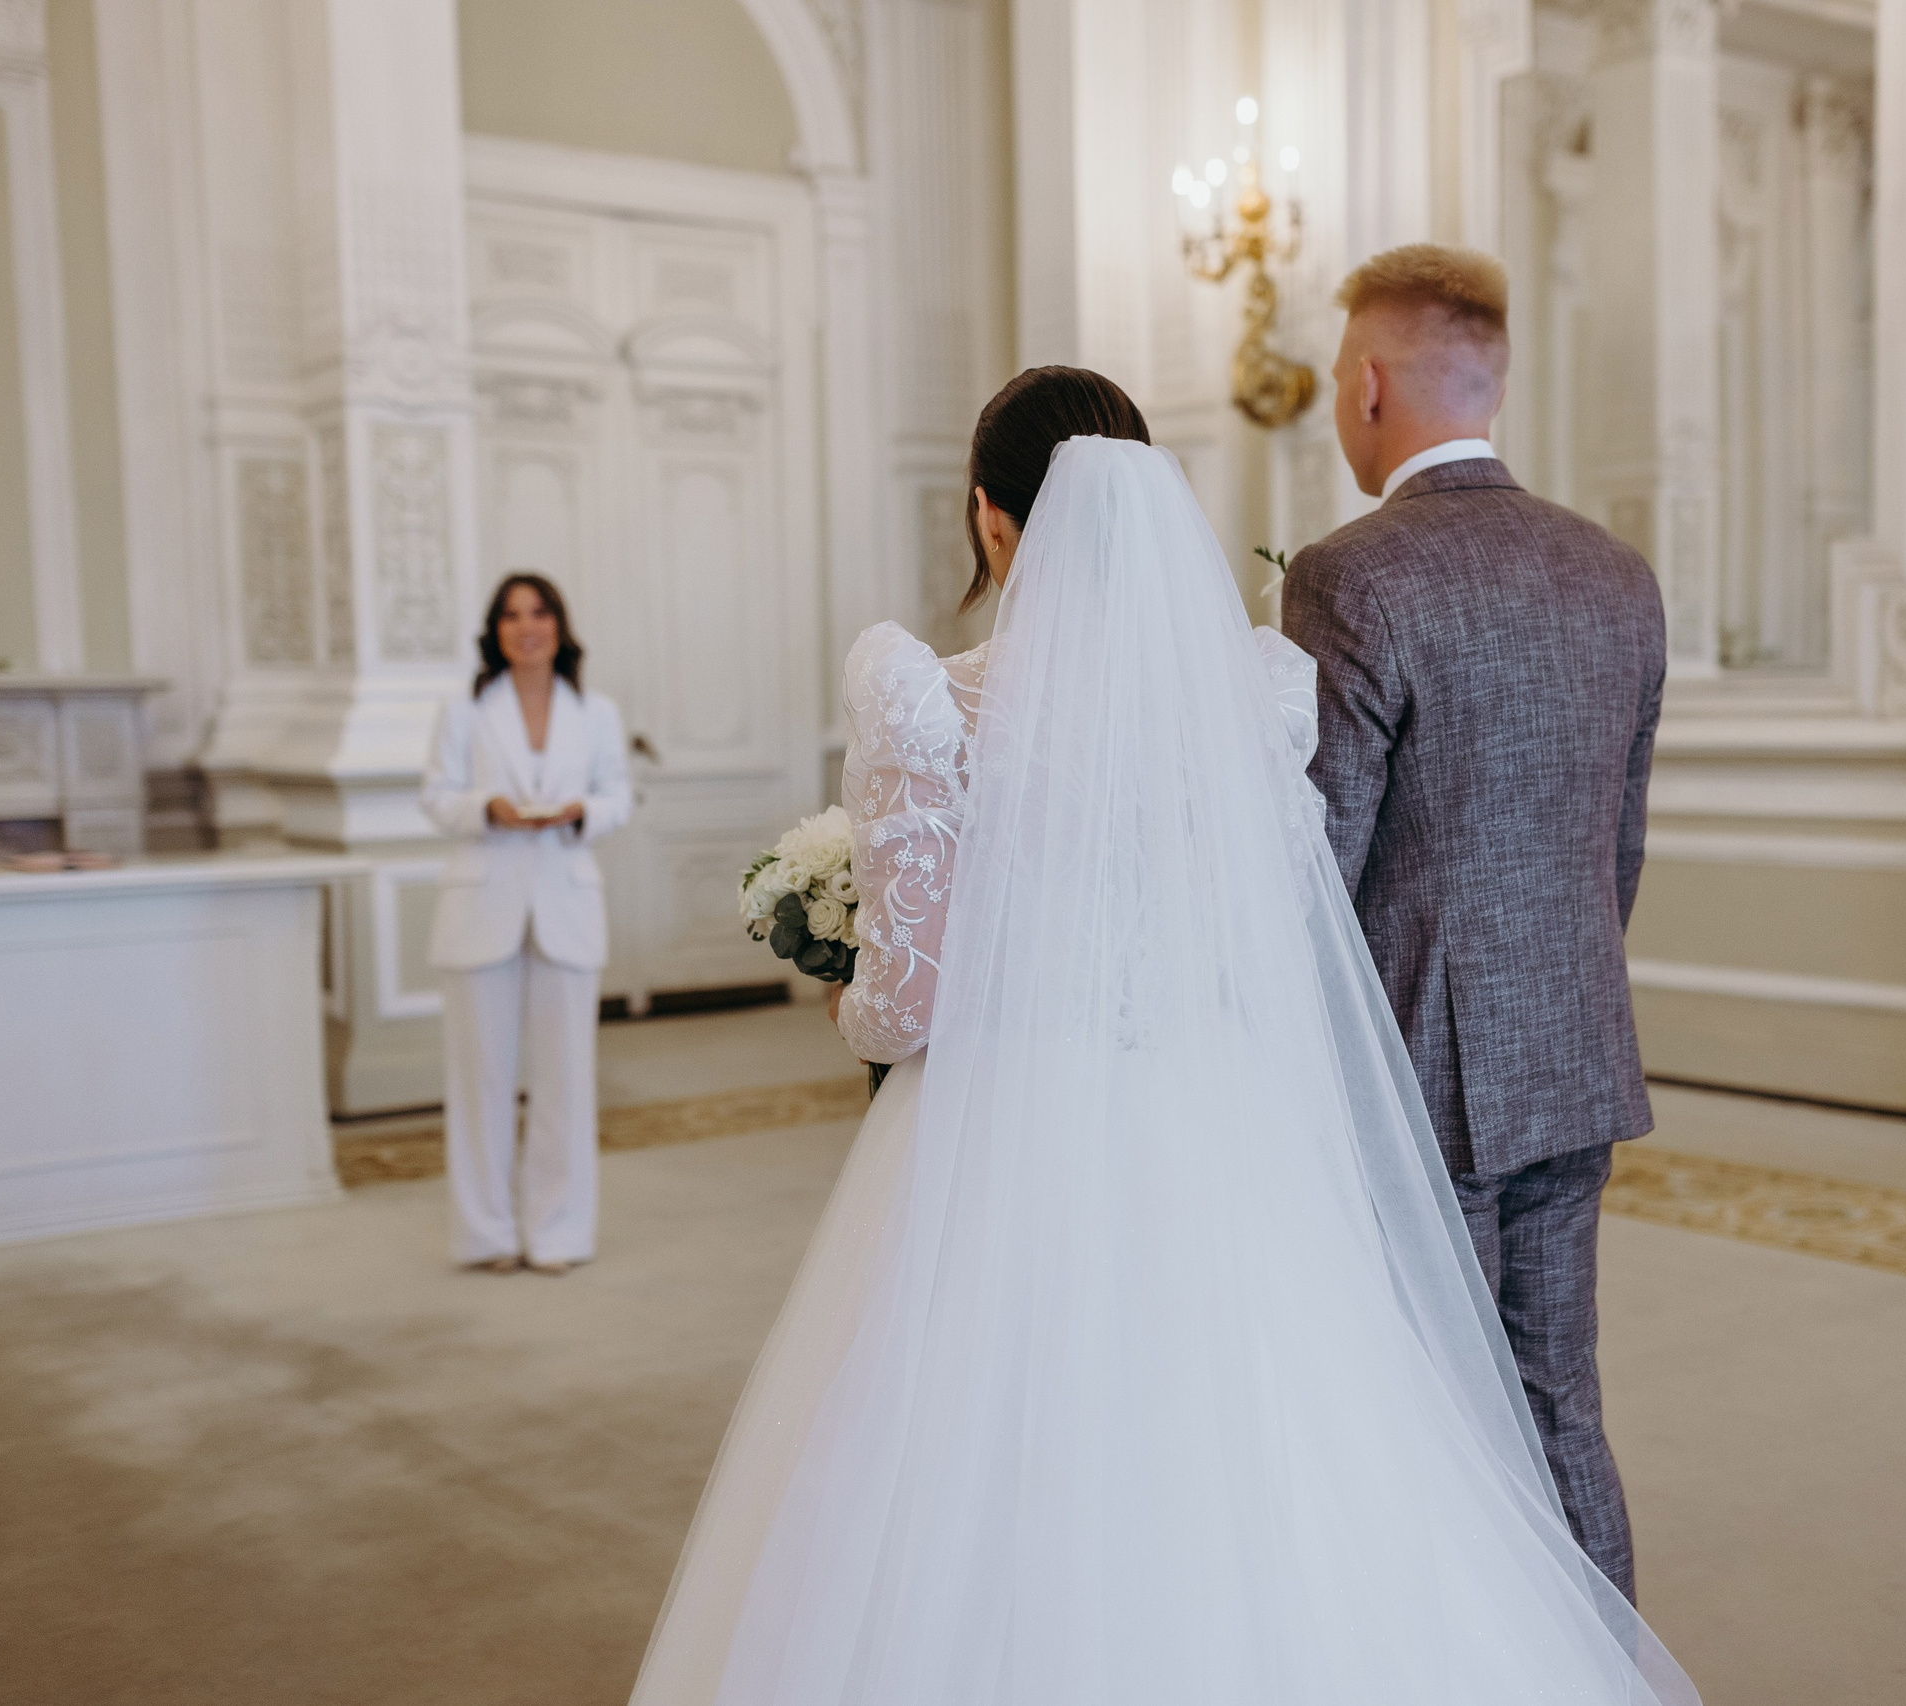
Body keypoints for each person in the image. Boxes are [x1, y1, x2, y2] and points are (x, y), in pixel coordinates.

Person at [627, 369, 1694, 1706]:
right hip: (1213, 1127)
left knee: (977, 1477)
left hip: (1011, 1136)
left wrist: (850, 978)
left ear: (992, 516)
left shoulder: (930, 697)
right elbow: (1271, 952)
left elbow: (910, 1004)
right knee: (1258, 1459)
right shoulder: (1253, 693)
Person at [1280, 245, 1666, 1600]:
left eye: (1337, 376)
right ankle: (1600, 1668)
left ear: (1371, 384)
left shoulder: (1350, 575)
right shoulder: (1615, 575)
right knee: (1560, 1398)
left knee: (1428, 1409)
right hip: (1572, 1048)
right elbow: (1616, 844)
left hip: (1417, 1079)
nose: (1339, 399)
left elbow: (1321, 857)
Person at [421, 573, 633, 1275]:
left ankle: (560, 1232)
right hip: (481, 906)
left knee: (567, 1082)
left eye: (538, 612)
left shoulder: (594, 711)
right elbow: (437, 795)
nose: (526, 626)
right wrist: (488, 807)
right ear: (496, 632)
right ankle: (485, 1234)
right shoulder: (465, 709)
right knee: (480, 1080)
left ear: (559, 625)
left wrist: (583, 813)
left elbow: (617, 798)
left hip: (566, 907)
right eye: (511, 616)